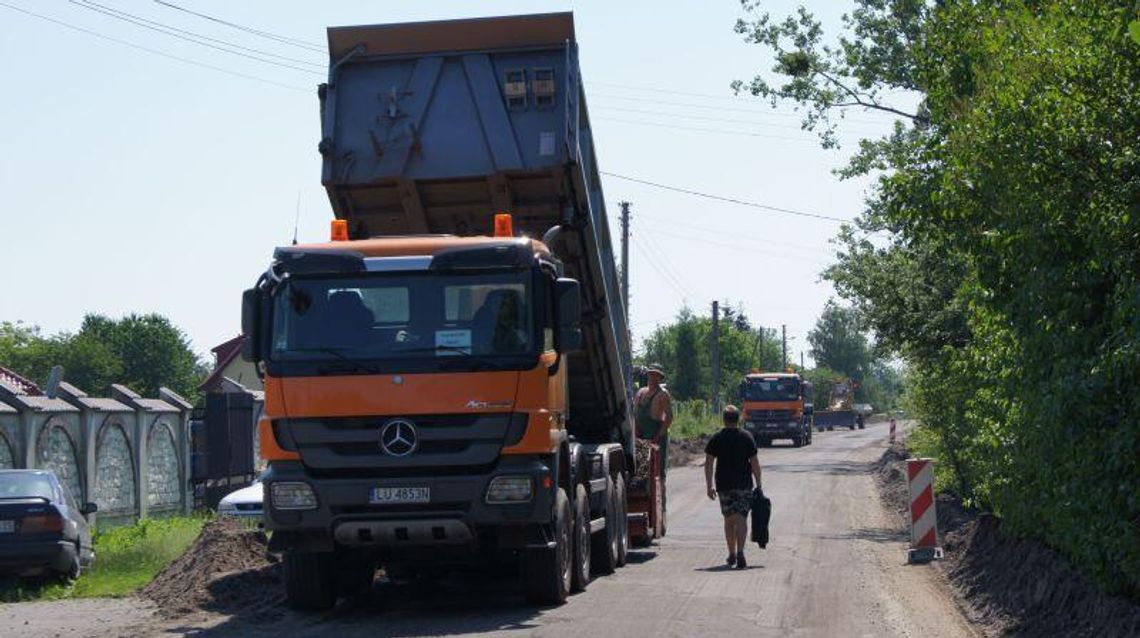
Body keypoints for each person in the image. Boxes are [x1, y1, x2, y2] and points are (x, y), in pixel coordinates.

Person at [704, 405, 763, 569]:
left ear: (724, 419)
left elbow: (709, 463)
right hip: (744, 485)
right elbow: (755, 464)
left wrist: (709, 486)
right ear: (739, 419)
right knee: (741, 518)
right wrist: (759, 484)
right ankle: (741, 552)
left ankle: (731, 553)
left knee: (729, 519)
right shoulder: (747, 437)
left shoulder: (717, 438)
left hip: (724, 485)